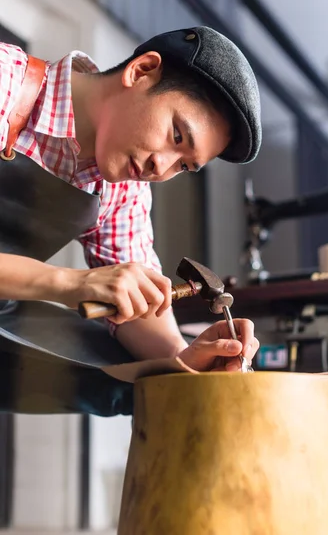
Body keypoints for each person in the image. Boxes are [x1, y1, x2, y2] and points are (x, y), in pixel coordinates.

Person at [0, 26, 262, 415]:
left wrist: (187, 358)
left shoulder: (124, 190)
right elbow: (77, 287)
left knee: (139, 375)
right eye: (176, 135)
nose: (162, 167)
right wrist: (69, 283)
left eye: (184, 166)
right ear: (141, 71)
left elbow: (140, 310)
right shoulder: (5, 80)